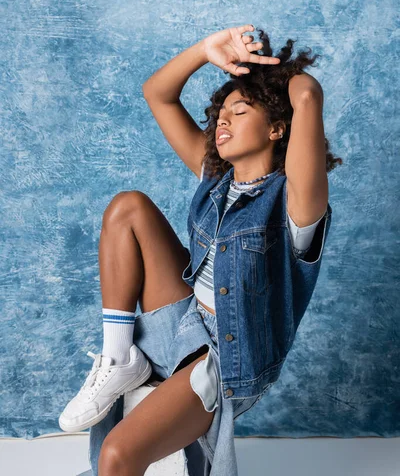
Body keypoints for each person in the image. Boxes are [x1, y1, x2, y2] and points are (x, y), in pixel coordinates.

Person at [58, 24, 342, 476]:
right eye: (221, 112)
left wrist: (264, 73)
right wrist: (207, 51)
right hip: (186, 323)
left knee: (116, 455)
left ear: (276, 128)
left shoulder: (295, 203)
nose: (222, 120)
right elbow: (157, 93)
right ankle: (119, 360)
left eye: (241, 109)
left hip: (225, 358)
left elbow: (307, 94)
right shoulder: (216, 179)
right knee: (127, 208)